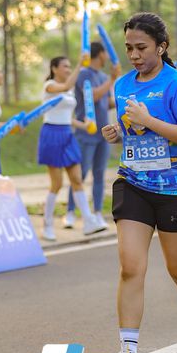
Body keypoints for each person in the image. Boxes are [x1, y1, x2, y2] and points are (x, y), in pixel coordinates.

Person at [102, 12, 177, 353]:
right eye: (129, 48)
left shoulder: (176, 84)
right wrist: (118, 132)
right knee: (130, 267)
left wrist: (148, 120)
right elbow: (134, 129)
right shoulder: (123, 85)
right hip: (134, 183)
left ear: (161, 47)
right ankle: (129, 352)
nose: (134, 55)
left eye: (141, 48)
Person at [37, 55, 104, 241]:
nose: (68, 69)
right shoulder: (50, 86)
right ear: (54, 68)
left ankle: (88, 221)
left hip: (67, 133)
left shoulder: (69, 89)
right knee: (57, 184)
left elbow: (67, 117)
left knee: (77, 179)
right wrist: (80, 65)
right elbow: (66, 86)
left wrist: (84, 125)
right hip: (51, 134)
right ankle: (47, 225)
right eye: (65, 66)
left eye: (69, 66)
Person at [65, 41, 120, 230]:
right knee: (80, 174)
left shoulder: (103, 76)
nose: (108, 57)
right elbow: (94, 96)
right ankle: (70, 213)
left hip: (103, 134)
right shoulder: (84, 75)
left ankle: (97, 213)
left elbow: (107, 102)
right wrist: (112, 80)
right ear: (100, 54)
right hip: (85, 133)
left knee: (99, 174)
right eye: (106, 53)